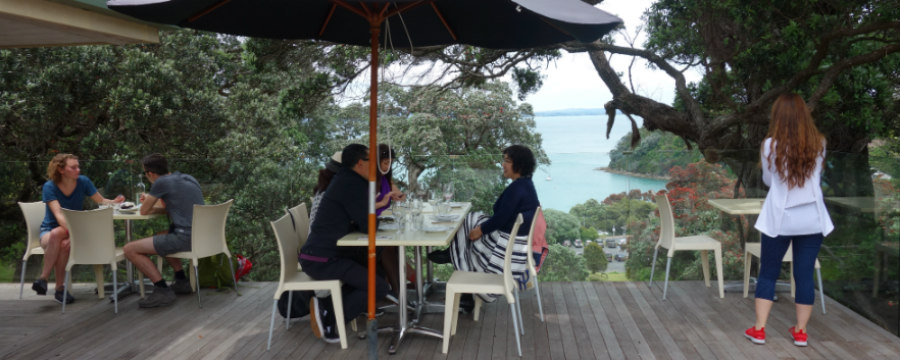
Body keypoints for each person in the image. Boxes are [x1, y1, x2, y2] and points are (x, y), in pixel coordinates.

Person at [744, 93, 834, 347]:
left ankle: (759, 330)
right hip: (812, 219)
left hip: (780, 219)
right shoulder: (819, 143)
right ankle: (801, 332)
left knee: (769, 272)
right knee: (804, 275)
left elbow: (769, 182)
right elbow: (816, 178)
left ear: (778, 117)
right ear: (805, 115)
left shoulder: (770, 145)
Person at [427, 145, 541, 310]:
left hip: (502, 257)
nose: (503, 164)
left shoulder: (517, 190)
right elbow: (500, 217)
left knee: (470, 223)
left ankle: (454, 256)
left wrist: (480, 230)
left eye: (507, 161)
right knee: (473, 219)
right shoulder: (526, 186)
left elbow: (500, 219)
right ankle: (454, 255)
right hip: (515, 251)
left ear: (520, 165)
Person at [300, 144, 390, 344]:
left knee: (376, 270)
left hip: (324, 254)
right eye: (371, 162)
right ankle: (330, 316)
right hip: (323, 259)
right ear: (360, 163)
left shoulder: (346, 181)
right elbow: (368, 226)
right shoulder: (353, 184)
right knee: (380, 287)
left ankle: (328, 304)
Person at [33, 153, 125, 304]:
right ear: (61, 170)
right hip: (50, 232)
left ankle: (44, 280)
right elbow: (59, 215)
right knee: (57, 234)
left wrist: (115, 201)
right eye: (73, 167)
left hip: (72, 231)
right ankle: (58, 288)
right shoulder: (50, 186)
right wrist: (75, 234)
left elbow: (101, 201)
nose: (78, 170)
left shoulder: (83, 182)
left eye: (78, 166)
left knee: (63, 243)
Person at [123, 153, 205, 308]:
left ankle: (162, 290)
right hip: (201, 236)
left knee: (129, 249)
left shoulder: (160, 183)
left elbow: (143, 211)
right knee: (161, 235)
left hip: (185, 238)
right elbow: (171, 208)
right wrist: (155, 201)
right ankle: (181, 280)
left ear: (150, 174)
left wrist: (149, 199)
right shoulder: (188, 178)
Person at [374, 144, 405, 215]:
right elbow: (362, 207)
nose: (388, 167)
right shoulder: (368, 179)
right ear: (376, 162)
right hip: (372, 220)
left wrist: (401, 197)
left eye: (390, 163)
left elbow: (399, 194)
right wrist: (382, 203)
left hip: (386, 217)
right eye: (386, 163)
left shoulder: (385, 177)